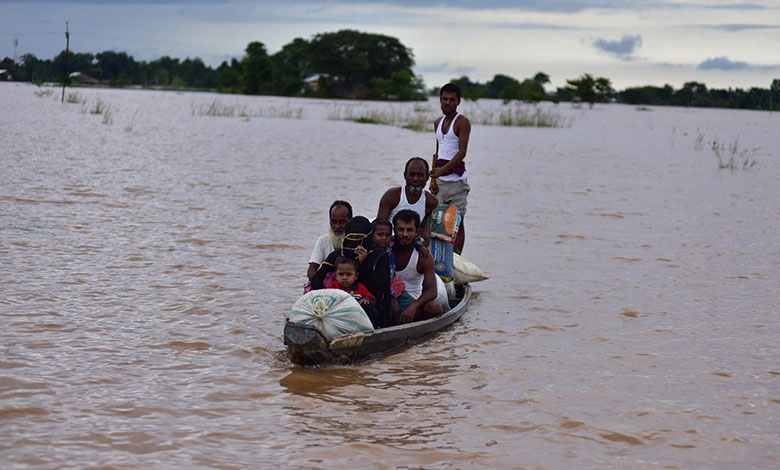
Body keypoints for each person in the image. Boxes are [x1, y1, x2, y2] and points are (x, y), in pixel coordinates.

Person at [312, 216, 393, 328]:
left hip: (367, 305)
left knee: (367, 308)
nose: (356, 242)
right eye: (352, 237)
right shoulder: (338, 255)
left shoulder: (378, 256)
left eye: (359, 238)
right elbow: (316, 279)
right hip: (336, 305)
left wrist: (364, 264)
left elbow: (379, 289)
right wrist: (327, 299)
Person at [431, 83, 471, 254]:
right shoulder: (438, 122)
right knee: (438, 222)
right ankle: (439, 257)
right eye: (445, 99)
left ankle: (457, 258)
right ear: (440, 100)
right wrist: (433, 179)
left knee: (457, 222)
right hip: (440, 182)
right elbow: (437, 151)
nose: (448, 102)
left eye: (452, 100)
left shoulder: (462, 122)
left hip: (456, 182)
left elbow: (461, 152)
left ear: (458, 102)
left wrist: (442, 170)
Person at [391, 209, 443, 324]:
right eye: (400, 230)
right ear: (394, 230)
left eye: (409, 230)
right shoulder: (386, 249)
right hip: (390, 301)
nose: (405, 234)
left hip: (413, 303)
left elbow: (432, 291)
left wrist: (413, 306)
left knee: (435, 308)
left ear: (417, 232)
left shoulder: (423, 256)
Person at [377, 157, 438, 245]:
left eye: (420, 175)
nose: (416, 178)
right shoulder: (392, 196)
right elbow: (379, 226)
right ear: (405, 175)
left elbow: (425, 227)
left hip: (412, 244)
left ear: (427, 177)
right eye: (412, 174)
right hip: (390, 244)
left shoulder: (431, 201)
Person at [307, 200, 352, 281]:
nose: (337, 226)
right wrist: (319, 286)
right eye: (333, 222)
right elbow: (311, 269)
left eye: (342, 222)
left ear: (350, 221)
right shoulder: (323, 240)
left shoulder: (356, 242)